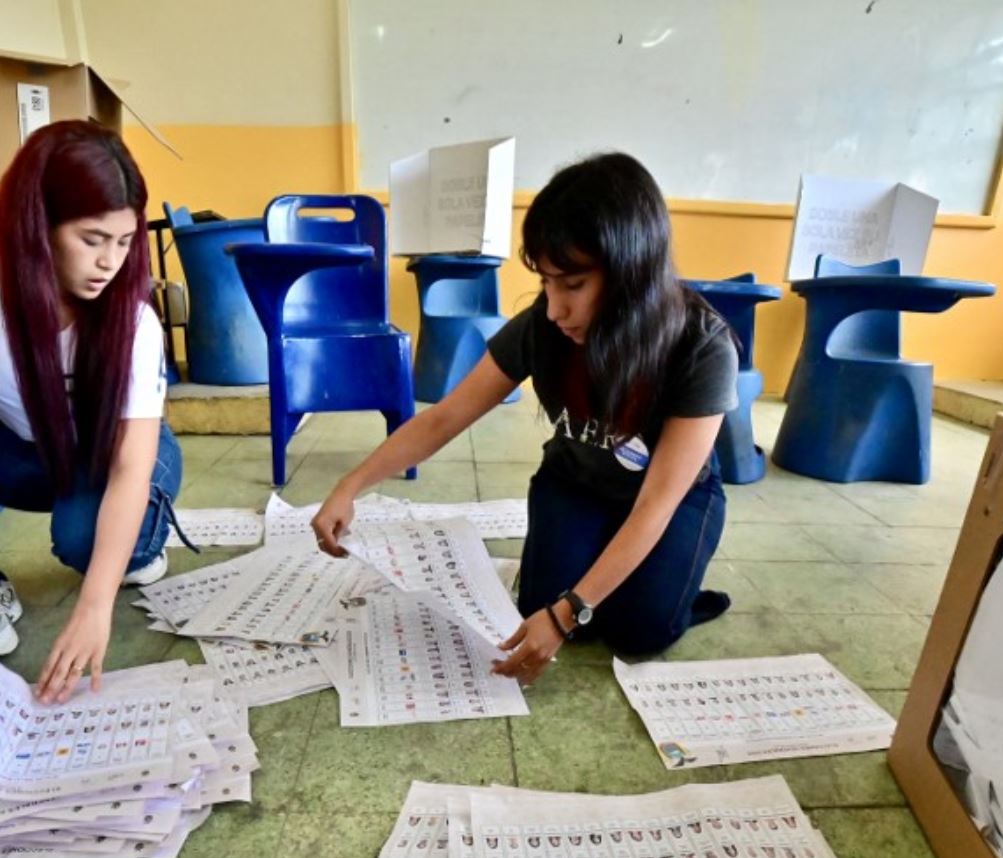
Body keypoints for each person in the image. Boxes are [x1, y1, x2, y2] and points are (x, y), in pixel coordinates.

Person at [312, 152, 737, 683]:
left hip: (671, 498)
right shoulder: (543, 328)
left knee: (638, 632)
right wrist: (351, 485)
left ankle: (672, 588)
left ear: (633, 274)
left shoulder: (701, 345)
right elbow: (444, 418)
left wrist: (568, 612)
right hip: (577, 482)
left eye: (574, 285)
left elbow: (657, 501)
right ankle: (614, 568)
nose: (555, 308)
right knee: (537, 608)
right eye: (546, 284)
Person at [0, 119, 182, 702]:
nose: (111, 262)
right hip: (21, 453)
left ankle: (141, 544)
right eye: (92, 239)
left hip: (111, 459)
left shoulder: (132, 316)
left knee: (85, 543)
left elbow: (131, 466)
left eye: (125, 241)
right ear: (37, 223)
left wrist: (95, 607)